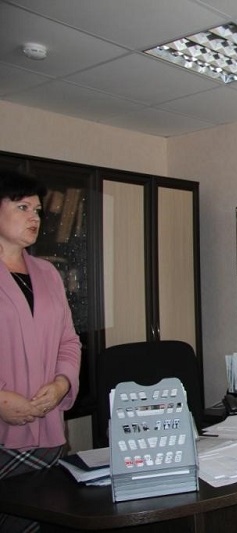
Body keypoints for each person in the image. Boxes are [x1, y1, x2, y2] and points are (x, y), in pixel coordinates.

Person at [0, 170, 81, 532]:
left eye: (37, 211)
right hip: (3, 436)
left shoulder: (47, 273)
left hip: (48, 431)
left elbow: (69, 340)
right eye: (22, 207)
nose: (34, 217)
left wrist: (62, 384)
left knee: (51, 520)